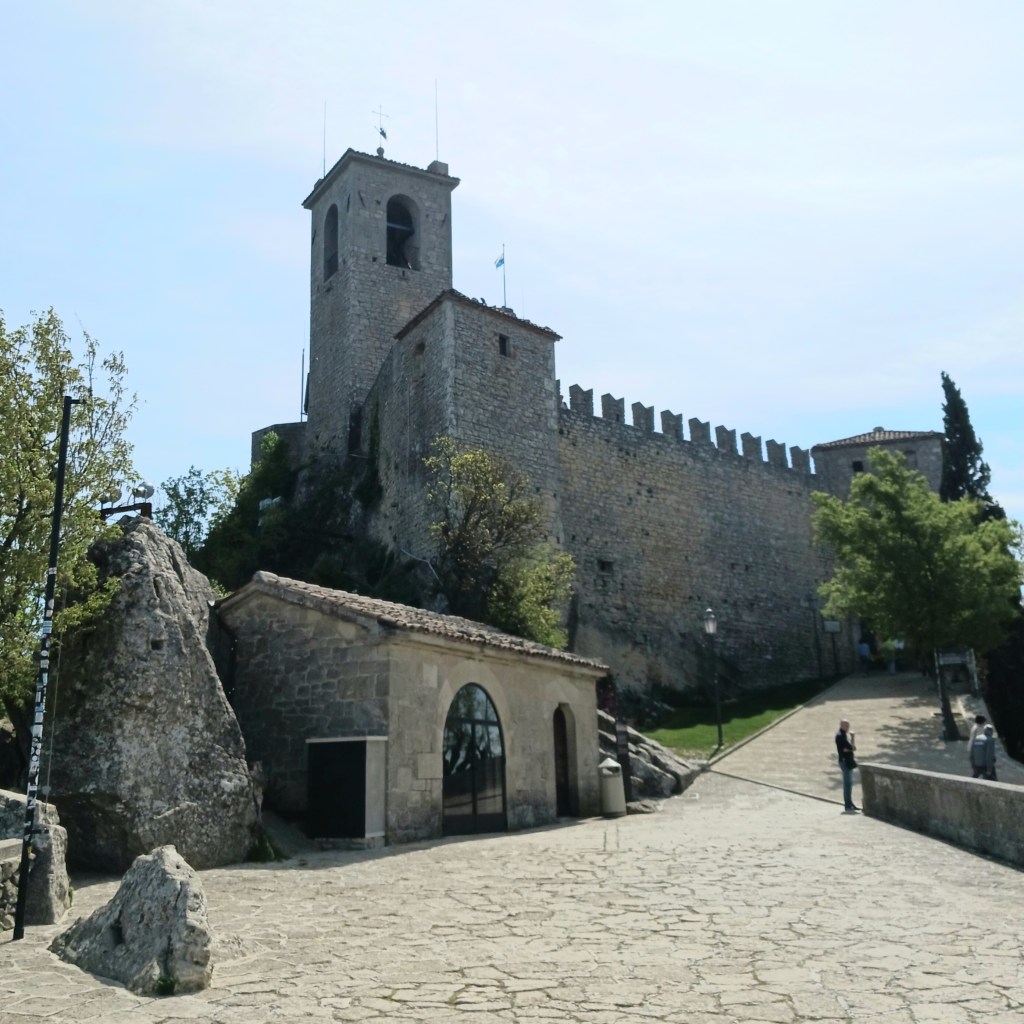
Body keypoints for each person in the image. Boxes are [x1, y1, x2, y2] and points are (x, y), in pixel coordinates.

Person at [835, 719, 858, 811]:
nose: (848, 727)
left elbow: (851, 748)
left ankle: (849, 803)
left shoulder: (844, 735)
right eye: (846, 726)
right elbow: (851, 748)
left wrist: (851, 747)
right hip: (845, 761)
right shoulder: (840, 736)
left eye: (848, 726)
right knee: (847, 784)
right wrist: (852, 738)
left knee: (849, 783)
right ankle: (848, 804)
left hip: (847, 761)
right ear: (841, 725)